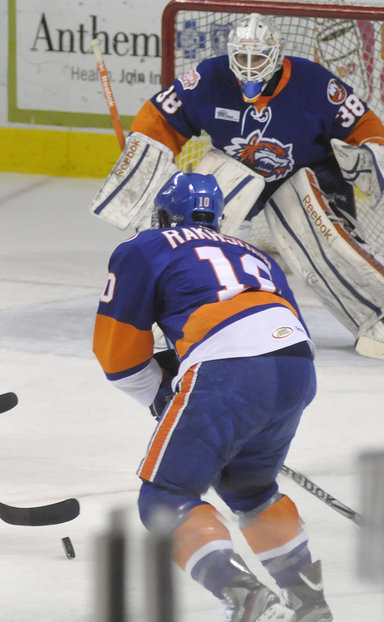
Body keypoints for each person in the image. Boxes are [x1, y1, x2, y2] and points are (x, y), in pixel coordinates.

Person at [92, 172, 333, 622]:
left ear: (162, 215)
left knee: (165, 495)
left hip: (230, 367)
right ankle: (309, 603)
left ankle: (246, 597)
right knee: (252, 489)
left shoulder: (144, 246)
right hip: (296, 368)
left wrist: (163, 397)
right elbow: (290, 336)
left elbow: (117, 356)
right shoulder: (256, 254)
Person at [90, 12, 384, 359]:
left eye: (257, 57)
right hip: (236, 170)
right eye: (241, 57)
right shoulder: (208, 77)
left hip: (306, 176)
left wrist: (371, 151)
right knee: (187, 230)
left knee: (328, 248)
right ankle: (165, 318)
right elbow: (161, 116)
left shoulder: (314, 84)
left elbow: (363, 122)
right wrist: (142, 164)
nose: (248, 65)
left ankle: (376, 316)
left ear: (276, 55)